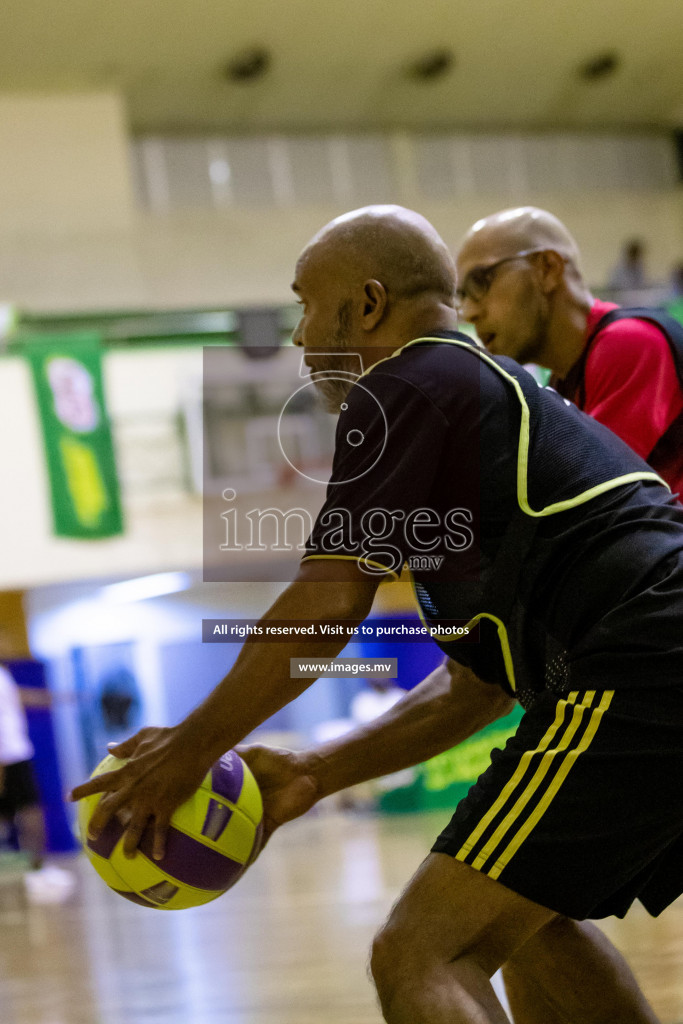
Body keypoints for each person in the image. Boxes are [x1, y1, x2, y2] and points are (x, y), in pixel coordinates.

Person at [71, 205, 683, 1024]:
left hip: (645, 660)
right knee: (529, 916)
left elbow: (326, 601)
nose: (295, 337)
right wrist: (316, 771)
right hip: (649, 661)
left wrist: (191, 747)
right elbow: (474, 691)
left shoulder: (408, 381)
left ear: (363, 305)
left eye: (303, 305)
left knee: (420, 952)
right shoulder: (471, 411)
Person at [455, 207, 683, 495]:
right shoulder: (563, 381)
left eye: (481, 283)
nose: (469, 312)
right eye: (462, 296)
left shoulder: (629, 343)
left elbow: (583, 496)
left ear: (547, 268)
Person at [0, 663, 74, 902]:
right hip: (5, 760)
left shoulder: (3, 673)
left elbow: (18, 696)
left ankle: (37, 871)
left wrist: (60, 697)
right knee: (24, 817)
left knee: (31, 816)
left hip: (18, 756)